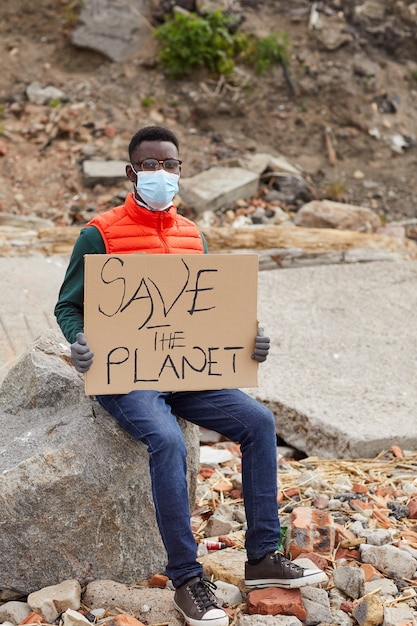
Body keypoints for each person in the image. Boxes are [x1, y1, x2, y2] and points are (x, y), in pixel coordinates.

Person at [55, 125, 327, 626]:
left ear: (180, 170)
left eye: (170, 165)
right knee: (170, 441)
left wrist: (251, 339)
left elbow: (209, 316)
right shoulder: (100, 233)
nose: (162, 174)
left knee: (259, 423)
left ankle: (264, 557)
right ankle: (186, 579)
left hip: (186, 373)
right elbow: (68, 306)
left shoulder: (192, 235)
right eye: (151, 165)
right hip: (127, 377)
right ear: (131, 172)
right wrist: (80, 342)